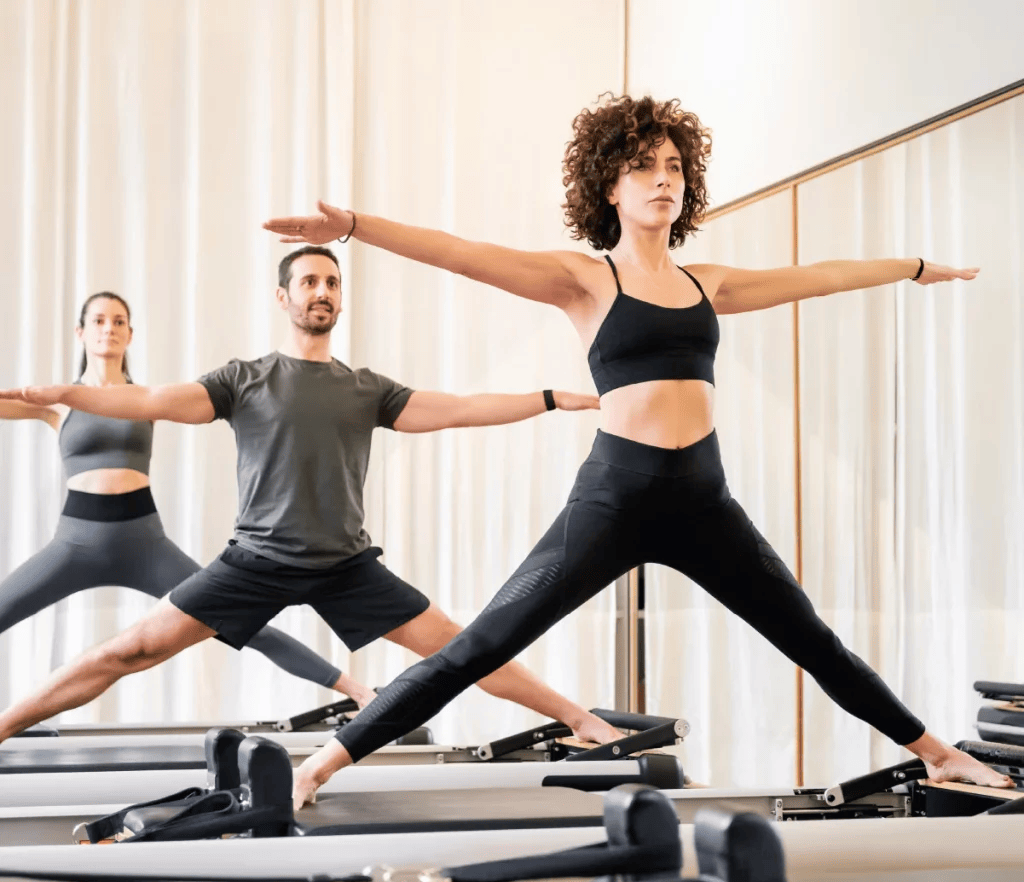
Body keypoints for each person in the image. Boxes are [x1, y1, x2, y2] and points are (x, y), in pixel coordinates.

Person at [260, 93, 1013, 808]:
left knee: (813, 639)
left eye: (675, 168)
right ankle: (326, 761)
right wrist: (354, 226)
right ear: (610, 187)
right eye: (644, 167)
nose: (663, 180)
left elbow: (818, 278)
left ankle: (939, 753)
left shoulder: (705, 283)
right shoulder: (585, 279)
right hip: (616, 496)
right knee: (482, 644)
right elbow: (462, 254)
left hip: (703, 500)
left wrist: (913, 267)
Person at [0, 247, 621, 749]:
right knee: (128, 650)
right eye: (308, 282)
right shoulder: (243, 380)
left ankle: (579, 719)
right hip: (252, 562)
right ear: (284, 296)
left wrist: (547, 398)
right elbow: (147, 400)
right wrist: (62, 393)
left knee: (464, 647)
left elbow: (458, 409)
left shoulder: (366, 389)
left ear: (340, 298)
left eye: (331, 283)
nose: (321, 292)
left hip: (344, 566)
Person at [0, 290, 376, 705]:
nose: (109, 328)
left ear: (130, 334)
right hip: (75, 543)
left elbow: (216, 400)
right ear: (81, 332)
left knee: (243, 621)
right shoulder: (58, 402)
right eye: (99, 321)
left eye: (119, 321)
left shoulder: (147, 397)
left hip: (144, 543)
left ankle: (358, 691)